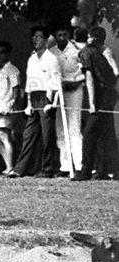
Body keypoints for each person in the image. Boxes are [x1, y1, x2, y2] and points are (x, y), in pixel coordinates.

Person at [11, 26, 61, 178]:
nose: (35, 40)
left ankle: (47, 169)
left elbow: (57, 82)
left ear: (46, 40)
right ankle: (20, 169)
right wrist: (28, 104)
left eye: (39, 37)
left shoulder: (51, 59)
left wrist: (52, 103)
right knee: (28, 135)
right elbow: (29, 82)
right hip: (33, 97)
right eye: (34, 37)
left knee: (47, 137)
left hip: (47, 97)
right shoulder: (32, 59)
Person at [73, 26, 119, 180]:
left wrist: (92, 103)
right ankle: (106, 170)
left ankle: (86, 171)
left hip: (98, 97)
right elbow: (116, 72)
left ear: (90, 38)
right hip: (109, 95)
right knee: (107, 133)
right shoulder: (105, 51)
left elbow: (90, 78)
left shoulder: (85, 52)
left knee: (89, 133)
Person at [50, 24, 84, 175]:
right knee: (60, 128)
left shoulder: (77, 50)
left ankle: (78, 165)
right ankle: (65, 166)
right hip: (59, 92)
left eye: (64, 35)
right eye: (59, 35)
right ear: (55, 37)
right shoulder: (51, 53)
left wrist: (75, 82)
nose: (62, 38)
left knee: (74, 128)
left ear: (68, 35)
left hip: (75, 91)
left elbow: (85, 72)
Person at [0, 41, 21, 176]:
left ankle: (10, 167)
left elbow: (16, 90)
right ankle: (7, 165)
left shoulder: (12, 69)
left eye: (2, 52)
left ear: (8, 54)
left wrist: (11, 104)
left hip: (6, 107)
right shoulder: (0, 70)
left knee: (4, 135)